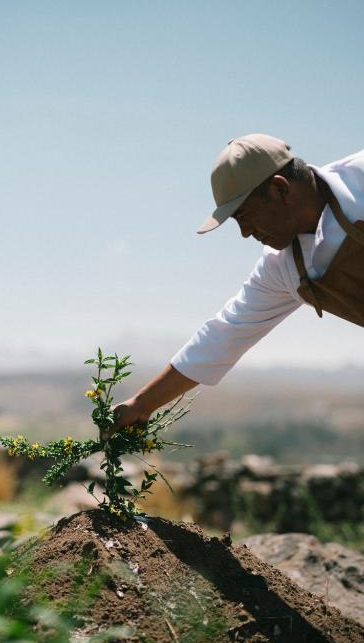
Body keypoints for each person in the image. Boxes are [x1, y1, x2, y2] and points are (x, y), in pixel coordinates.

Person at [111, 133, 364, 432]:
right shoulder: (281, 266)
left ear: (279, 189)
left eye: (245, 216)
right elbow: (225, 334)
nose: (245, 233)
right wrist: (141, 404)